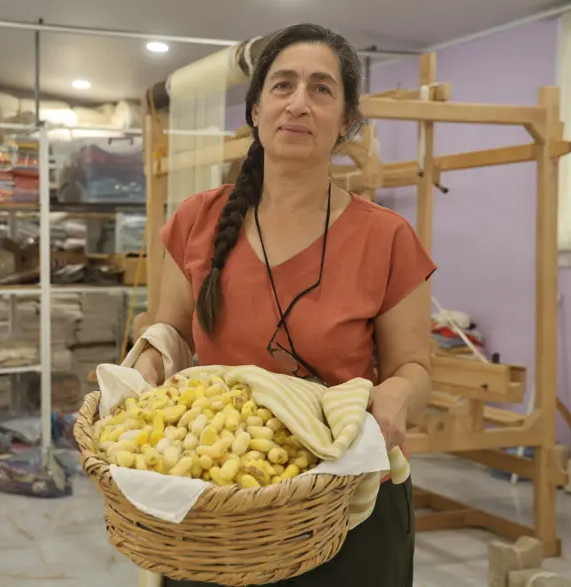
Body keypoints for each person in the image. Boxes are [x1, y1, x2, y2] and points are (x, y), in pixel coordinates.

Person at [131, 23, 436, 587]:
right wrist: (142, 370)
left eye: (322, 89)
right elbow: (167, 333)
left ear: (346, 121)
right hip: (220, 506)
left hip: (345, 501)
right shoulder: (197, 220)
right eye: (282, 86)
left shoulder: (387, 238)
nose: (298, 103)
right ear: (254, 110)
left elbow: (413, 369)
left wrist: (396, 394)